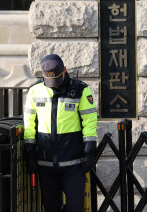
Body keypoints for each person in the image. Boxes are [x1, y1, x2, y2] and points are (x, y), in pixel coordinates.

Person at [23, 54, 97, 212]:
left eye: (56, 79)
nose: (54, 85)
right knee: (51, 207)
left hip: (73, 163)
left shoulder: (80, 89)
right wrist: (29, 151)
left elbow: (89, 121)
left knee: (75, 208)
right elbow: (29, 124)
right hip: (45, 163)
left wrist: (90, 148)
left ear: (64, 70)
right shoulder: (34, 91)